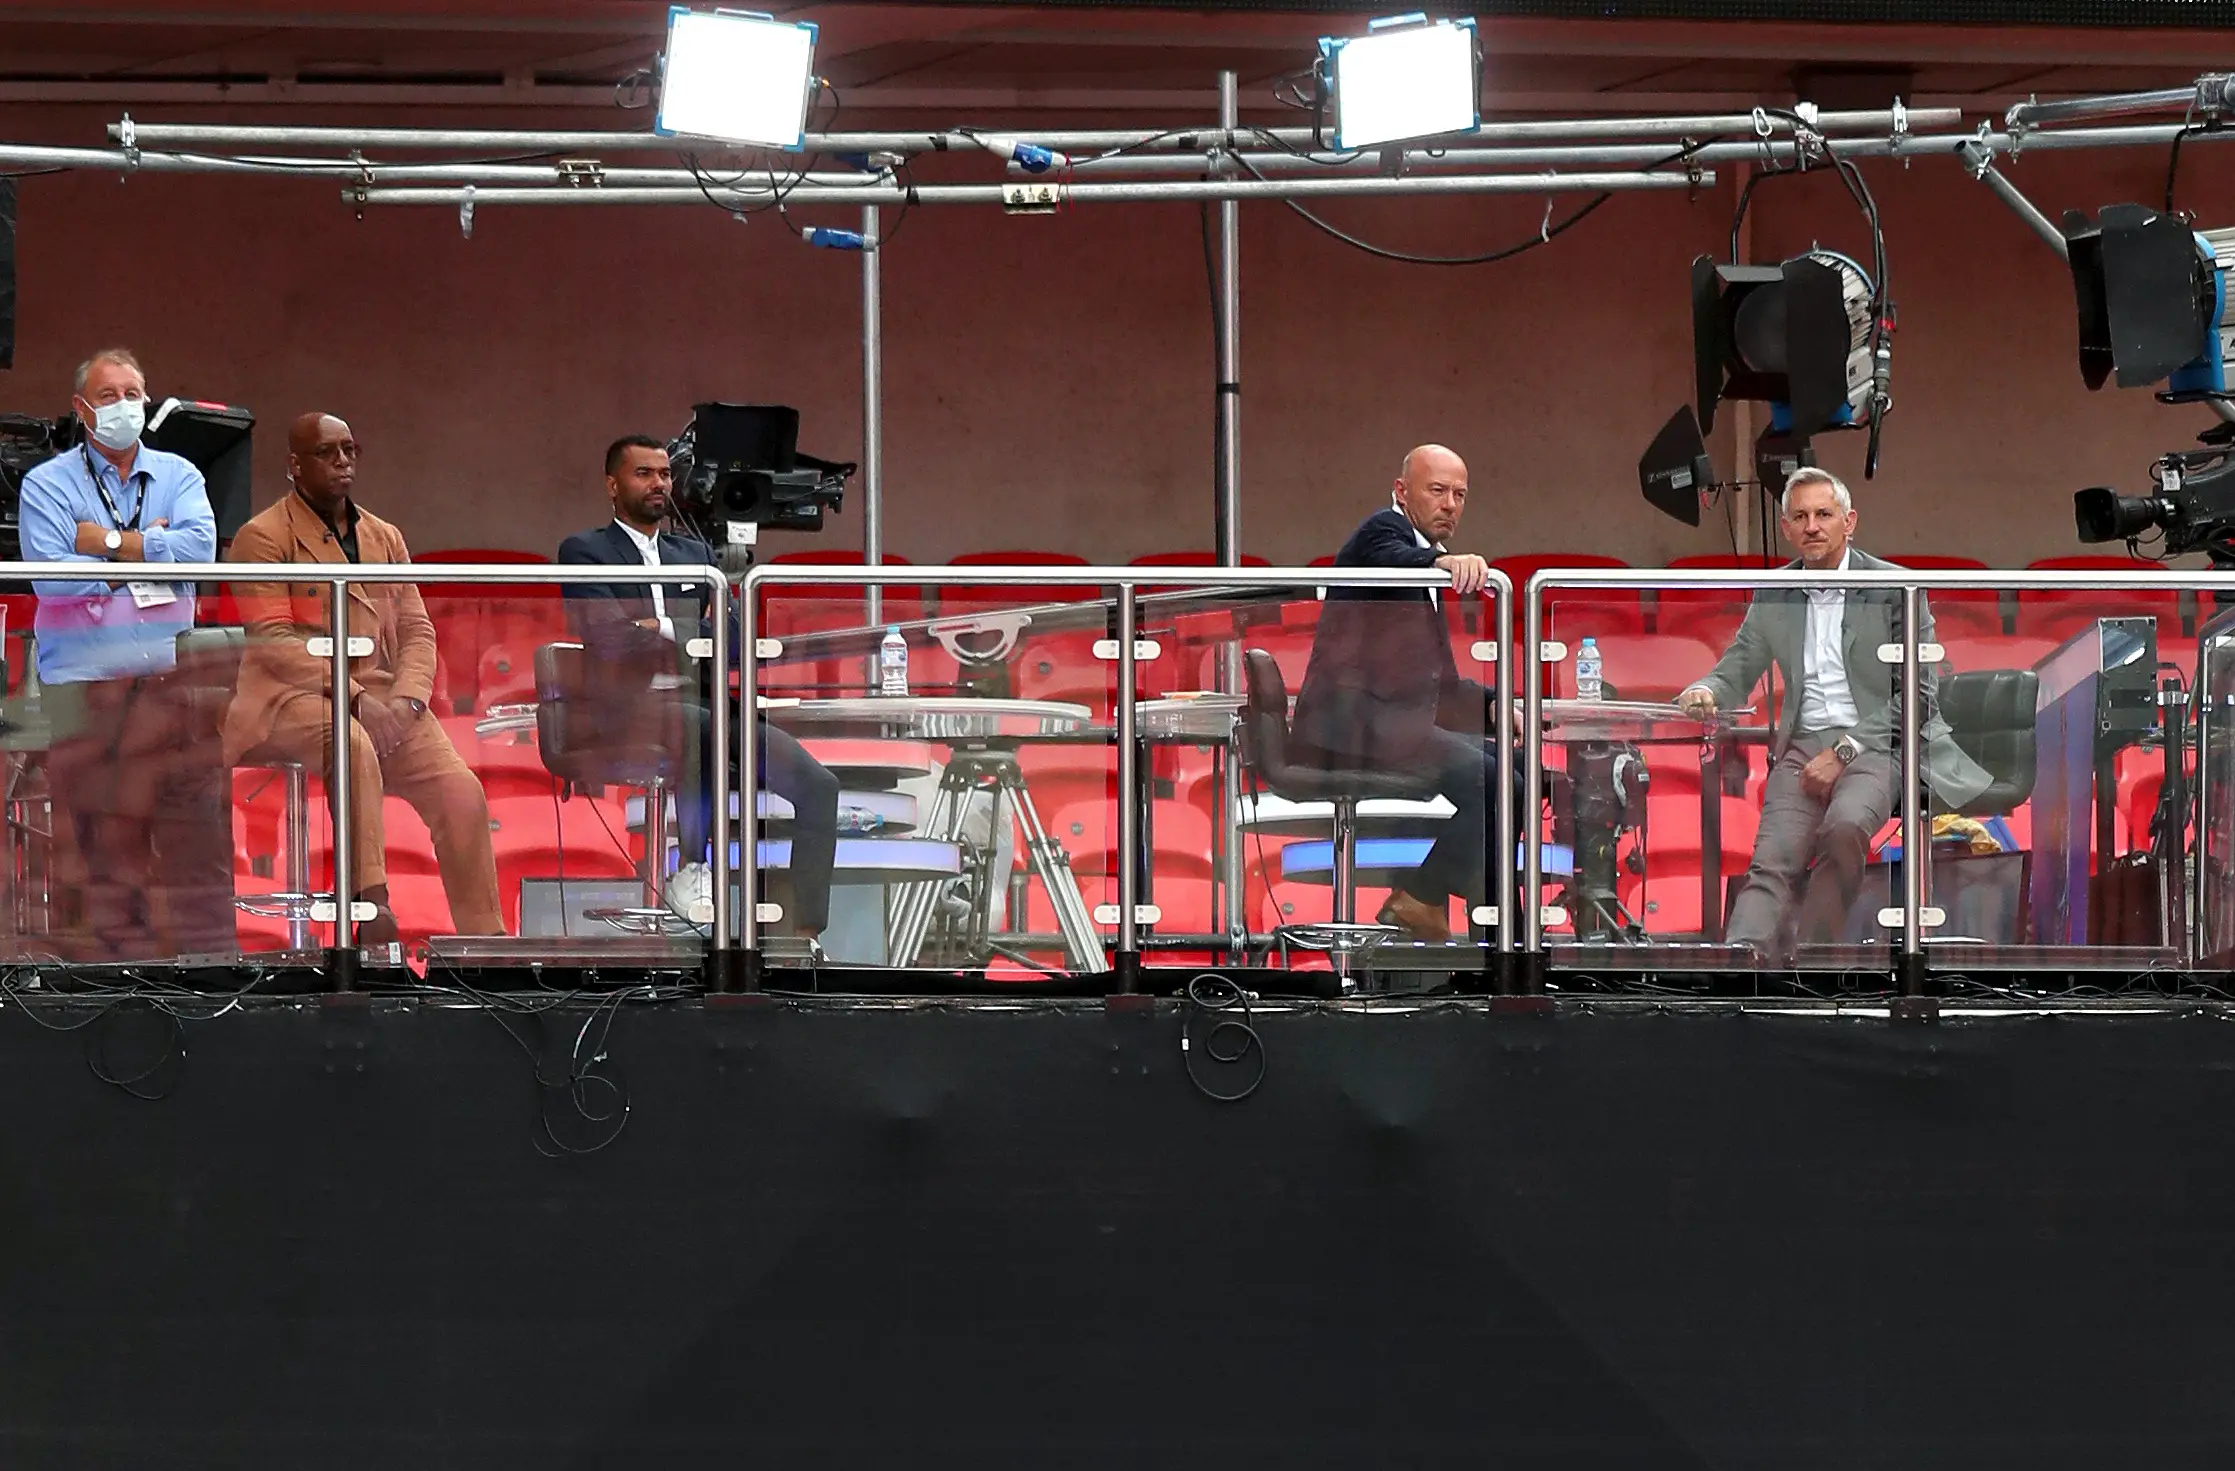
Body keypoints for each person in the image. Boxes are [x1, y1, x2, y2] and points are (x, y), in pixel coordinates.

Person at [1676, 467, 1990, 959]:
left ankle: (1812, 957)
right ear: (1785, 529)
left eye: (1824, 514)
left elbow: (1921, 692)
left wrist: (1844, 751)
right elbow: (1738, 666)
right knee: (1773, 858)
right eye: (1800, 517)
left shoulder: (1898, 588)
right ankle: (1739, 958)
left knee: (1843, 828)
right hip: (1803, 744)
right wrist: (1705, 689)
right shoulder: (1773, 591)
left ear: (1850, 521)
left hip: (1880, 741)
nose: (1812, 526)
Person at [225, 412, 504, 944]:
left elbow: (419, 631)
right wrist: (356, 700)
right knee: (352, 746)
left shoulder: (385, 536)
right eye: (328, 453)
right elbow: (276, 644)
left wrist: (407, 702)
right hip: (289, 699)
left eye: (351, 451)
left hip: (385, 701)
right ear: (294, 466)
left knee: (461, 789)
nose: (343, 463)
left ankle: (485, 945)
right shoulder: (260, 537)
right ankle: (371, 910)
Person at [557, 435, 838, 940]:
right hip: (629, 705)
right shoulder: (585, 550)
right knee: (696, 730)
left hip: (701, 698)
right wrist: (687, 632)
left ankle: (802, 933)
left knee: (819, 785)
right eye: (644, 473)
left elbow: (732, 640)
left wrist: (656, 629)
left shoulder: (694, 552)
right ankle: (693, 866)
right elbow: (608, 640)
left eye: (664, 474)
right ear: (612, 484)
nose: (659, 484)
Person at [19, 347, 235, 961]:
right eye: (108, 396)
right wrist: (144, 548)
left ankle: (213, 978)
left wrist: (105, 544)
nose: (123, 407)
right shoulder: (47, 484)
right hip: (83, 689)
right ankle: (105, 988)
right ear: (81, 408)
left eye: (133, 393)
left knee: (196, 844)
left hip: (171, 684)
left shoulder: (181, 475)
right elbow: (52, 583)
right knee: (96, 853)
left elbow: (202, 554)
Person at [1290, 443, 1505, 942]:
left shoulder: (1426, 565)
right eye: (1437, 490)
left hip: (1394, 723)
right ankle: (1421, 898)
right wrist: (1442, 562)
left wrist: (1496, 704)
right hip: (1352, 728)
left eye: (1460, 494)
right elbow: (1395, 558)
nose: (1450, 504)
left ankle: (1493, 929)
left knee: (1524, 775)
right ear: (1402, 491)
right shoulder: (1382, 534)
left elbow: (1444, 687)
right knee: (1496, 784)